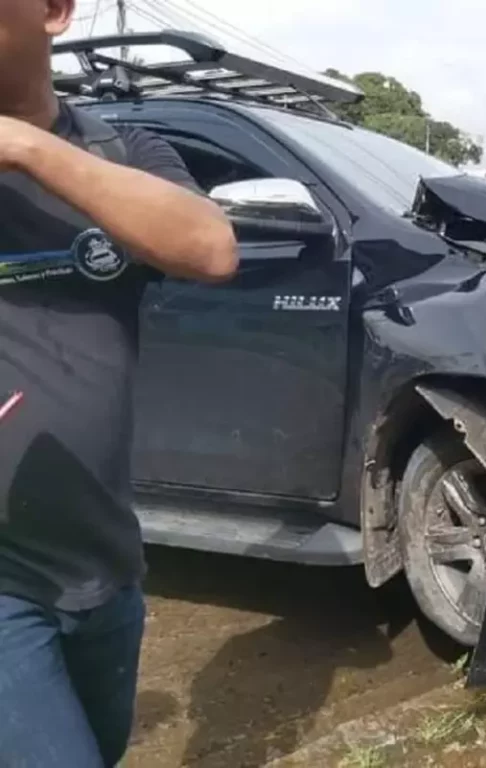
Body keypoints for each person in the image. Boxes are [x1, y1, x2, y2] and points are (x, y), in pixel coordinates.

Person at [0, 2, 237, 766]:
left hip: (104, 566)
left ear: (54, 11)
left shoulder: (117, 149)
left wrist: (29, 150)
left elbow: (209, 247)